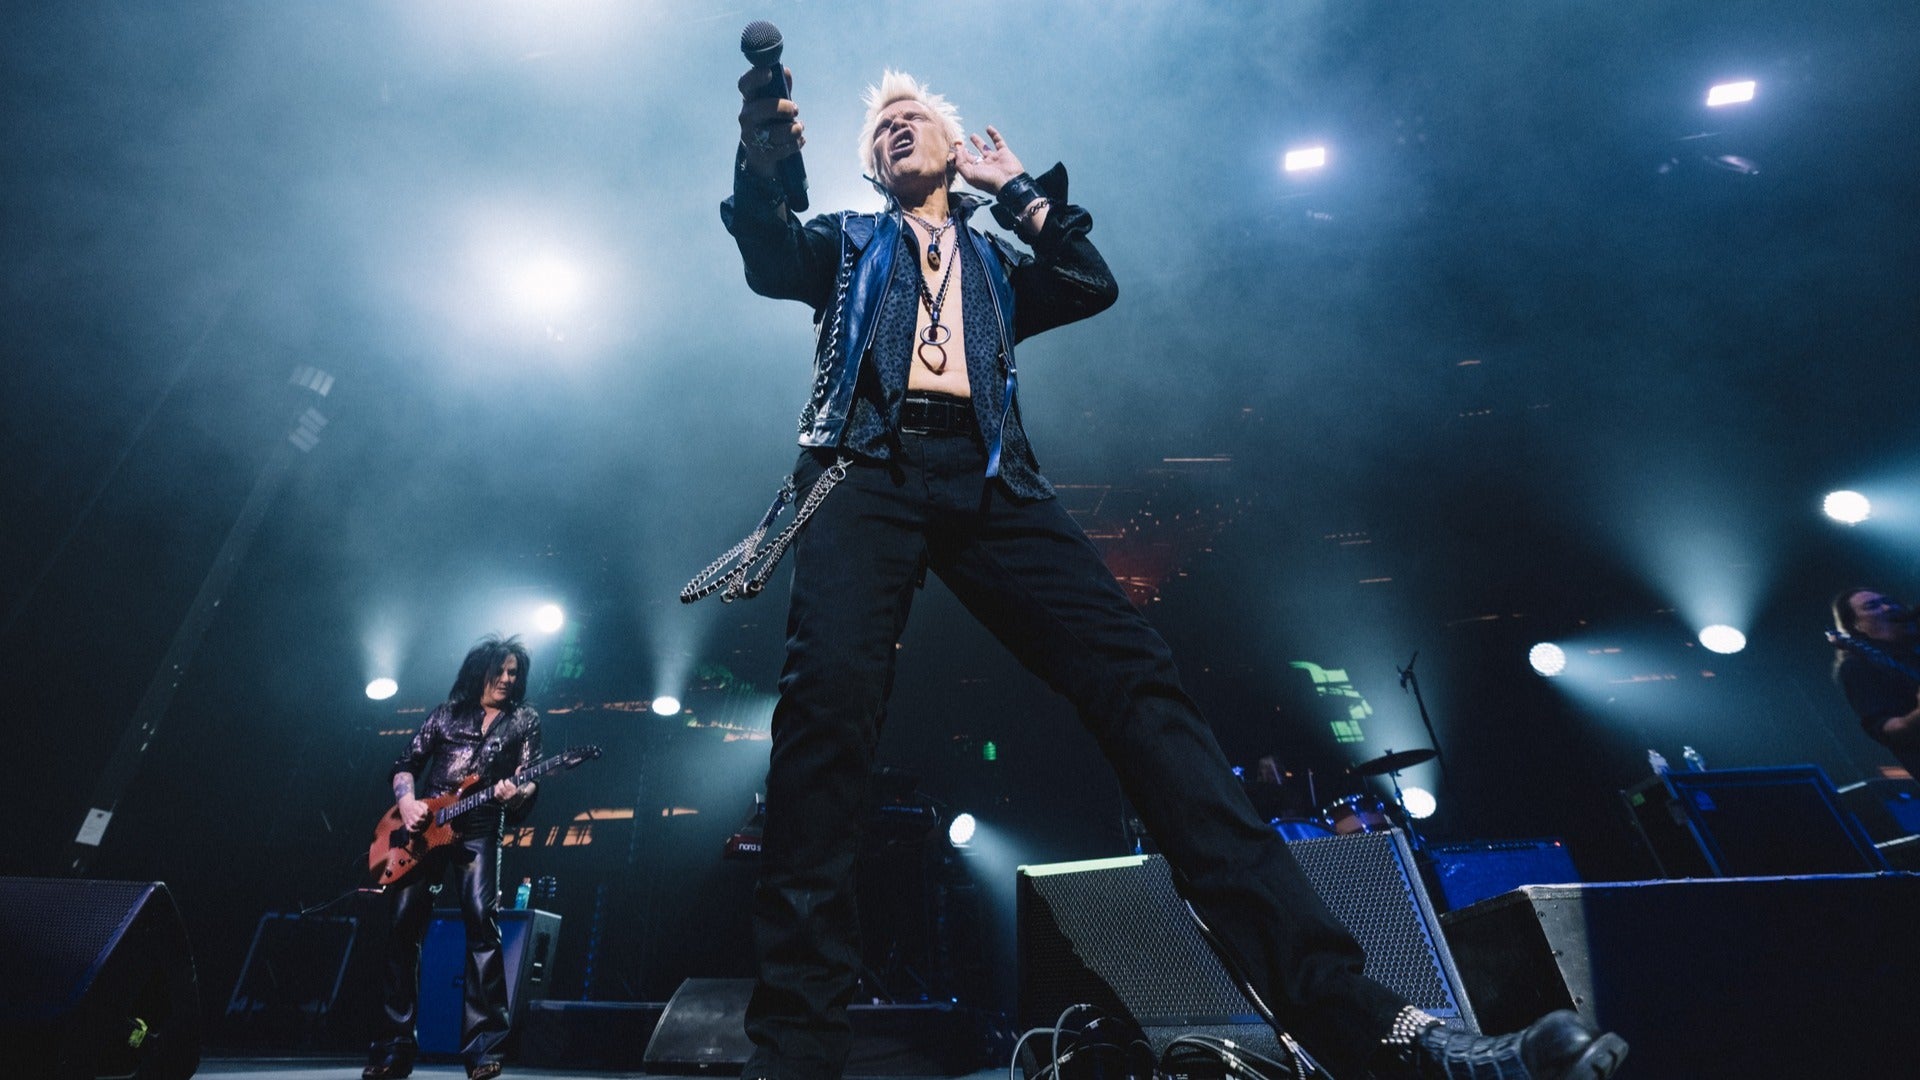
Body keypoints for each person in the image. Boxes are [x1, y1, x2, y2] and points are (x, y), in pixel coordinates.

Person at [719, 65, 1626, 1080]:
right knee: (824, 724)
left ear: (950, 148)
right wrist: (764, 158)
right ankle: (792, 1057)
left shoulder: (995, 260)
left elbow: (1089, 280)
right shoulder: (843, 244)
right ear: (868, 166)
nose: (893, 130)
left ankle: (1370, 1033)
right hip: (861, 470)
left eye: (911, 117)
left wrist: (1021, 193)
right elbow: (767, 251)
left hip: (991, 482)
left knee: (1143, 693)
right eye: (879, 126)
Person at [363, 635, 542, 1080]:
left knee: (483, 922)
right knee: (403, 925)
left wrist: (515, 793)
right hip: (425, 830)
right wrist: (407, 804)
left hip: (479, 827)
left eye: (513, 673)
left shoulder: (524, 721)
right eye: (499, 670)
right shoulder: (446, 714)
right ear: (480, 671)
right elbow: (405, 765)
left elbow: (529, 782)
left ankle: (483, 1050)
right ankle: (393, 1047)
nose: (506, 679)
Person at [1831, 587, 1920, 779]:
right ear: (1857, 626)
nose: (1888, 608)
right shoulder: (1857, 666)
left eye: (1888, 601)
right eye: (1872, 606)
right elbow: (1887, 730)